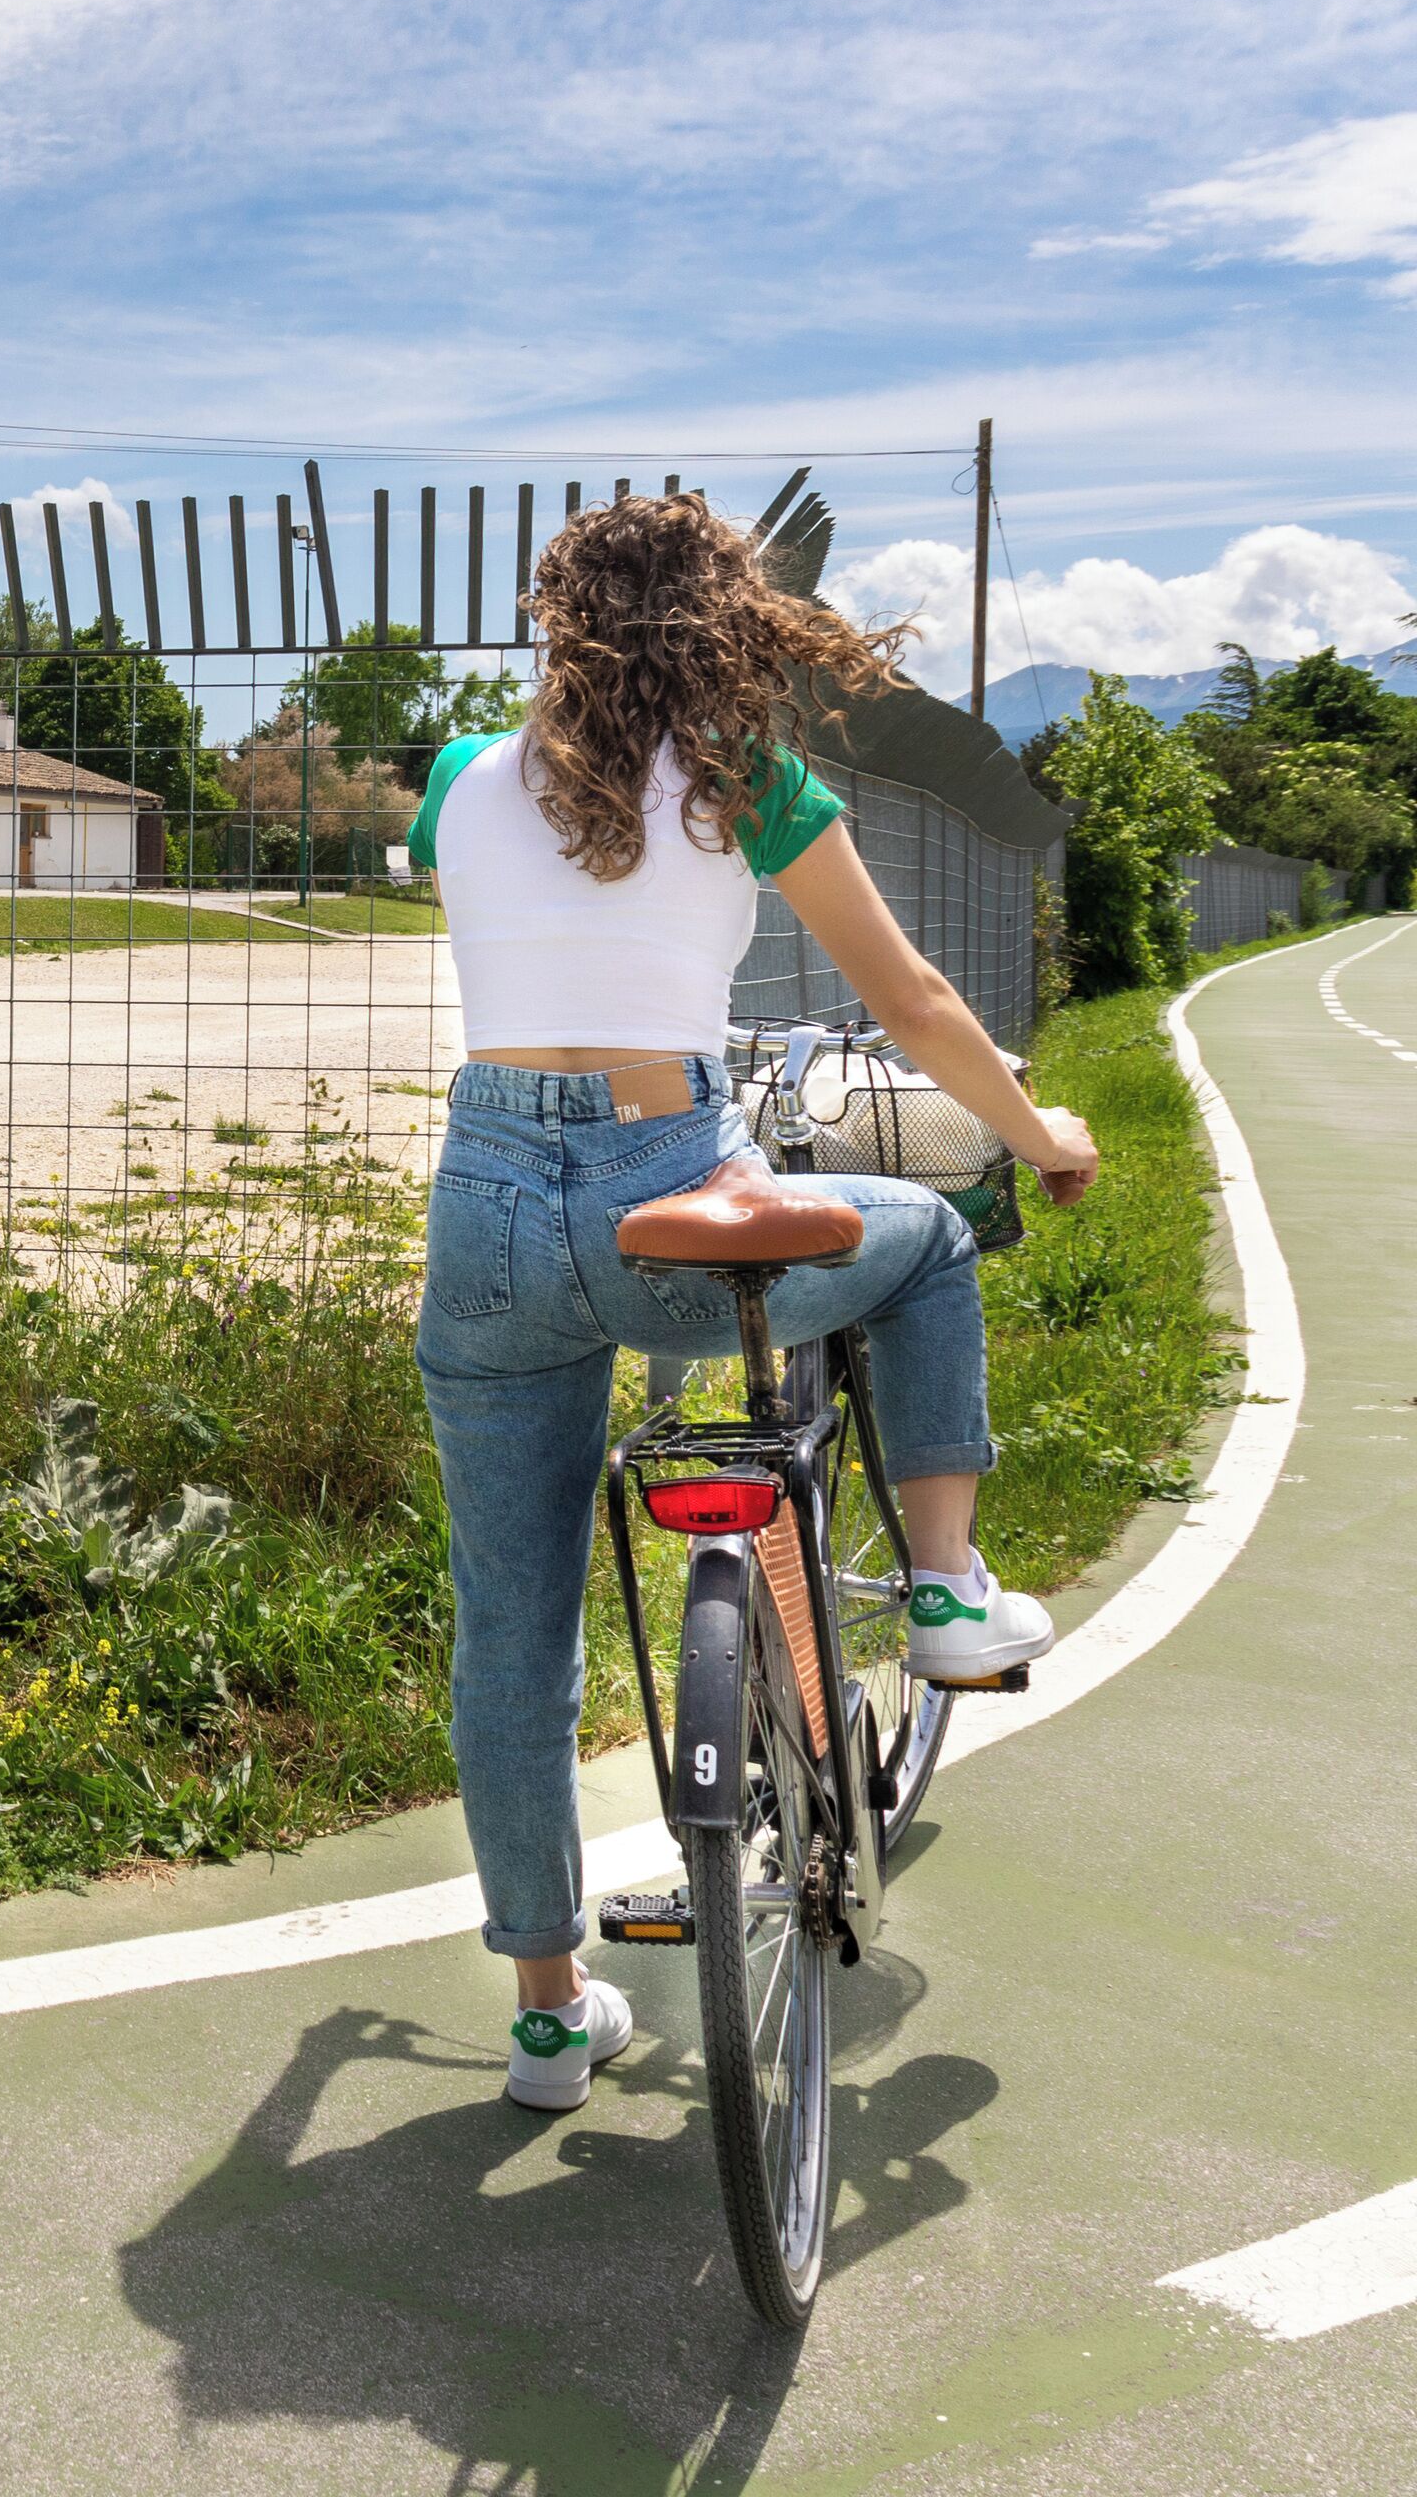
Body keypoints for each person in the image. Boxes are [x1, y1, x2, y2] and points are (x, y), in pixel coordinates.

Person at [409, 492, 1101, 2113]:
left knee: (511, 1631)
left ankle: (545, 2017)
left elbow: (535, 913)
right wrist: (1035, 1134)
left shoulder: (456, 778)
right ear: (726, 621)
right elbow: (914, 1000)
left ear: (554, 623)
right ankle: (939, 1593)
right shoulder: (748, 782)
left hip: (490, 1205)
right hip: (674, 1194)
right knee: (923, 1239)